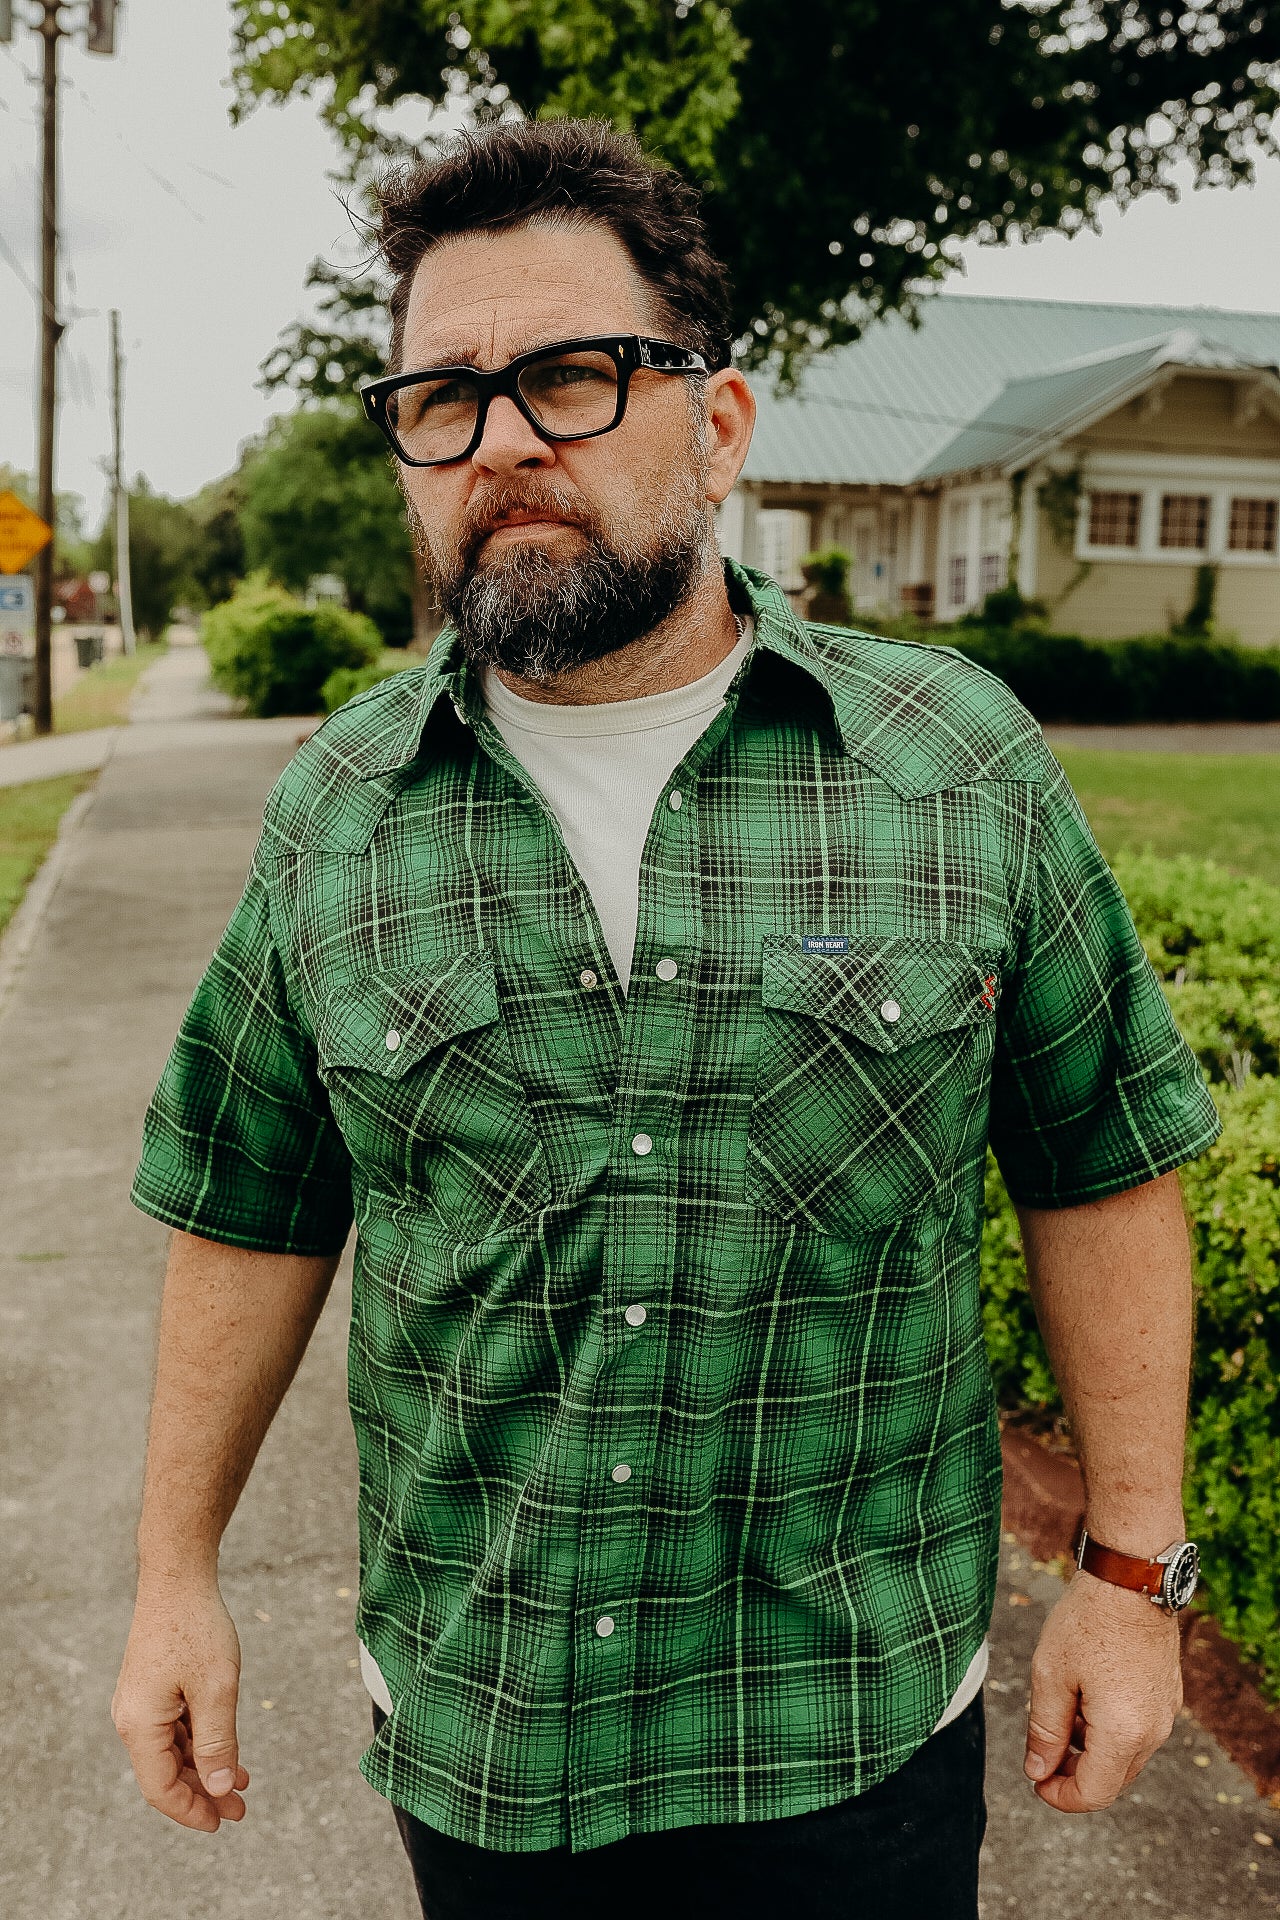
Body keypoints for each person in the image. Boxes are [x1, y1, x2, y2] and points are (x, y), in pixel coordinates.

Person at [112, 119, 1220, 1919]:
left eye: (570, 376)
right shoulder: (337, 809)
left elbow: (1102, 1159)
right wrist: (174, 1575)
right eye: (442, 400)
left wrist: (1129, 1565)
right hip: (488, 1737)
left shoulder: (956, 764)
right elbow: (249, 1202)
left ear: (717, 423)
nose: (505, 442)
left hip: (855, 1726)